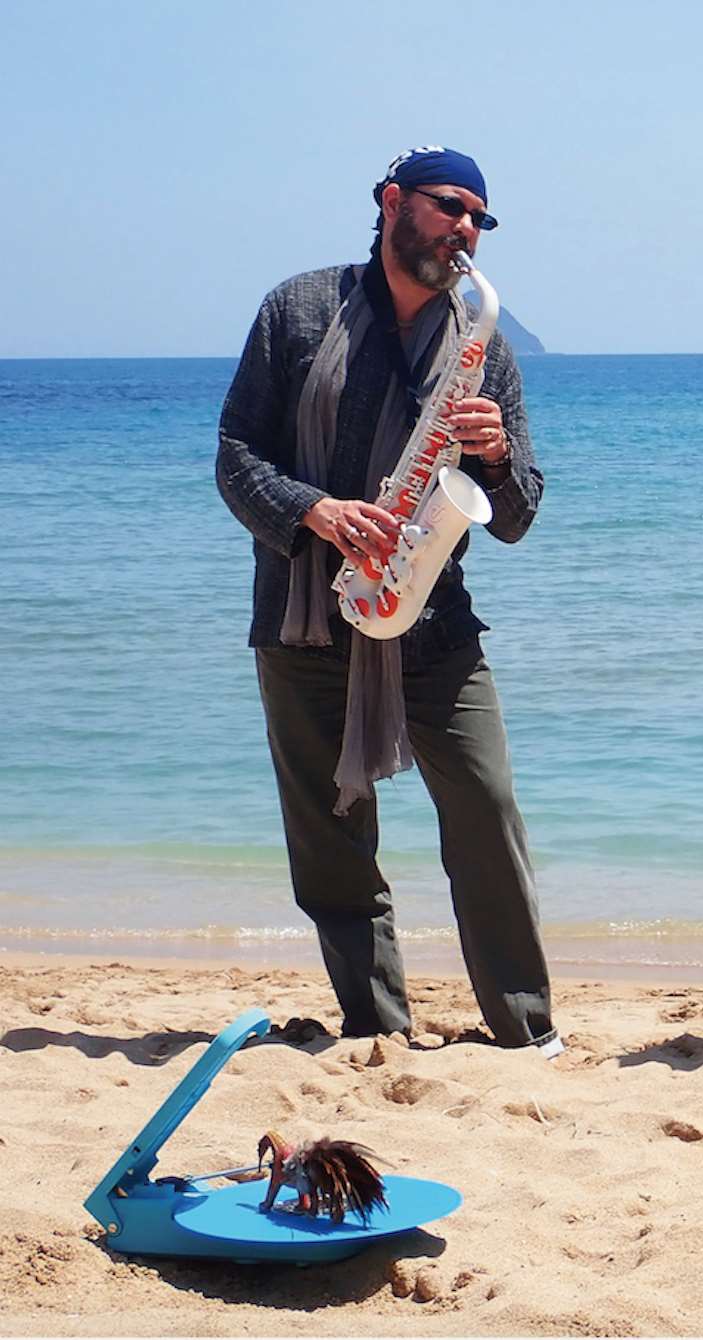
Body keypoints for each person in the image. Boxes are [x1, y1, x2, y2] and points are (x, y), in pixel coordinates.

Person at [217, 146, 559, 1055]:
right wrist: (317, 511)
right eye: (452, 207)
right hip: (306, 618)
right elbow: (235, 457)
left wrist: (490, 456)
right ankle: (376, 1027)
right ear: (392, 202)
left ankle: (526, 1031)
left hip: (435, 620)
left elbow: (518, 514)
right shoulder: (297, 310)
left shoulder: (485, 345)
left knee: (486, 812)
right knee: (332, 843)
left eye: (482, 219)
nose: (467, 230)